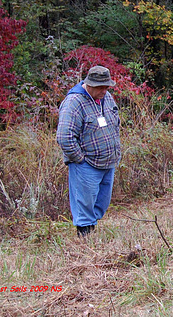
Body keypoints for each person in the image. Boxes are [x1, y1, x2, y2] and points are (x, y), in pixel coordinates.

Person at [56, 65, 121, 237]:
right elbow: (64, 137)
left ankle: (92, 234)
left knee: (101, 203)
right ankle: (85, 240)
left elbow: (116, 122)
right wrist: (80, 159)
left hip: (108, 161)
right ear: (89, 84)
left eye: (107, 86)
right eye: (101, 87)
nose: (105, 90)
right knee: (84, 205)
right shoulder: (73, 102)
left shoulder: (107, 97)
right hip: (86, 164)